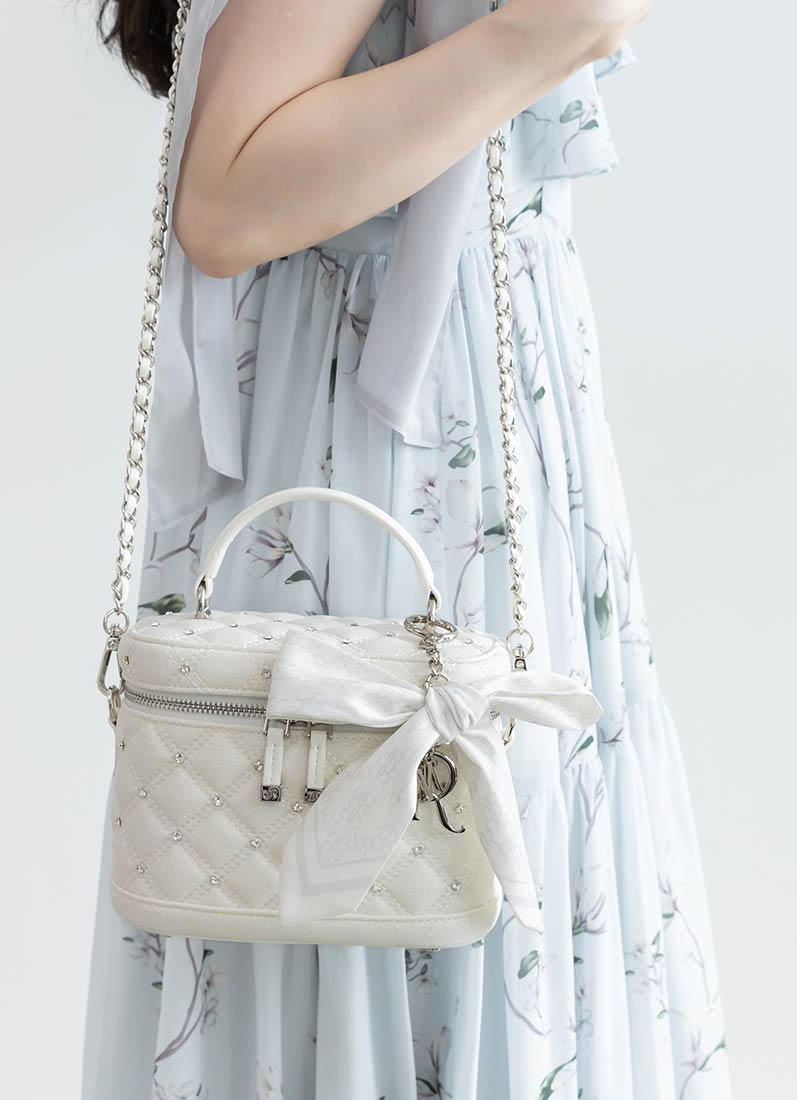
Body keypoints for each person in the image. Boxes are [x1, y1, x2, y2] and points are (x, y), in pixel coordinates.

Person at [84, 2, 732, 1097]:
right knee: (375, 839)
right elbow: (227, 194)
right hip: (391, 441)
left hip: (468, 411)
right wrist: (555, 30)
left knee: (430, 851)